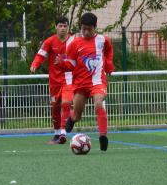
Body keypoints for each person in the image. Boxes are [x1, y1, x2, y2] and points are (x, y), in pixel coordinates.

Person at [57, 12, 114, 151]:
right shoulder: (74, 44)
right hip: (80, 84)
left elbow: (109, 51)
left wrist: (109, 65)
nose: (86, 32)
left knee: (99, 103)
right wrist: (61, 64)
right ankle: (72, 119)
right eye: (84, 29)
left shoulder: (103, 40)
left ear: (95, 27)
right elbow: (71, 65)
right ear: (80, 27)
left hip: (97, 82)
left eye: (89, 29)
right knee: (77, 115)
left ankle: (103, 136)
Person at [30, 16, 74, 144]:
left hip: (69, 79)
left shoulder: (74, 41)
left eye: (65, 26)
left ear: (68, 27)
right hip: (54, 81)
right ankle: (56, 134)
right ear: (55, 27)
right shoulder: (49, 41)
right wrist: (34, 64)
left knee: (66, 103)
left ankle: (63, 133)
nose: (62, 28)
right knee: (55, 107)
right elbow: (40, 54)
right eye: (60, 26)